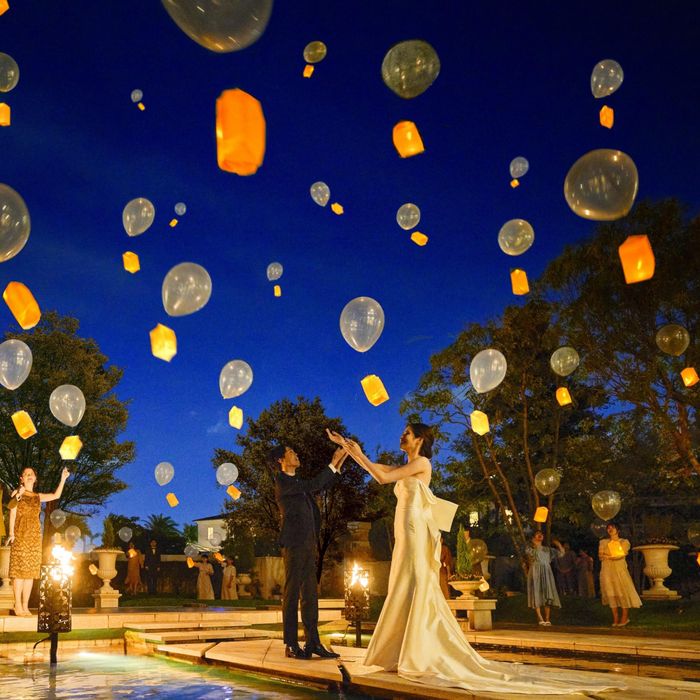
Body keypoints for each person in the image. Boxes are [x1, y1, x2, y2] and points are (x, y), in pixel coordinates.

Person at [328, 425, 622, 694]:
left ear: (420, 439)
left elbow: (381, 477)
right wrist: (351, 450)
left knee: (415, 584)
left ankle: (419, 651)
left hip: (415, 529)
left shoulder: (423, 463)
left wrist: (357, 453)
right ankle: (402, 651)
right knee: (403, 584)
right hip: (404, 530)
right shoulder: (407, 466)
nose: (401, 435)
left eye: (407, 432)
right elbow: (380, 470)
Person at [270, 443, 347, 660]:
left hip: (307, 544)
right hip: (293, 544)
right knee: (292, 594)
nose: (296, 454)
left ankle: (313, 642)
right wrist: (333, 461)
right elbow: (315, 484)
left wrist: (341, 458)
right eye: (291, 452)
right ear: (281, 460)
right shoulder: (283, 482)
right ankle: (291, 644)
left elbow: (321, 484)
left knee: (310, 595)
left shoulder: (297, 483)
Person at [7, 467, 70, 616]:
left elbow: (56, 495)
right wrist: (11, 533)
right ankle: (17, 605)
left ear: (35, 478)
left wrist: (63, 479)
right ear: (22, 479)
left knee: (30, 573)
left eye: (32, 474)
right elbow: (11, 510)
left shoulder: (38, 496)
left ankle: (25, 605)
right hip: (20, 535)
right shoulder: (17, 493)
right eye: (26, 474)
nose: (29, 476)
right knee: (19, 572)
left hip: (34, 537)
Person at [599, 522, 641, 627]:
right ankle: (615, 617)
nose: (610, 529)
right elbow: (601, 555)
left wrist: (609, 555)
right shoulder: (603, 542)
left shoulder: (624, 542)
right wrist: (608, 555)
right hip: (607, 570)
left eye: (612, 527)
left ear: (618, 530)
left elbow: (619, 555)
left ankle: (625, 617)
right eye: (608, 528)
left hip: (619, 570)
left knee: (622, 592)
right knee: (611, 593)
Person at [526, 531, 564, 625]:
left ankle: (547, 618)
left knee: (547, 593)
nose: (540, 535)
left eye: (541, 534)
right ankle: (540, 618)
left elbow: (561, 554)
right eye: (537, 534)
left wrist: (559, 545)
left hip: (546, 571)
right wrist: (535, 545)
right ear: (533, 538)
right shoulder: (530, 549)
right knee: (537, 592)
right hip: (536, 571)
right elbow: (530, 555)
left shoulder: (547, 550)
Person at [439, 534, 453, 599]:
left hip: (442, 571)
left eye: (440, 539)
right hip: (435, 571)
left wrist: (448, 573)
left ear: (442, 540)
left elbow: (447, 562)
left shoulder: (445, 549)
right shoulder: (433, 548)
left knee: (444, 587)